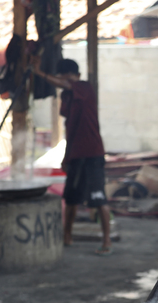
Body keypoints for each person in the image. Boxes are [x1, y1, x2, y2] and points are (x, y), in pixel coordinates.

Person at [32, 58, 113, 255]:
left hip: (93, 153)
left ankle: (106, 241)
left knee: (98, 198)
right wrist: (66, 157)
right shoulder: (67, 96)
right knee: (71, 198)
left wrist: (39, 72)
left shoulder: (84, 87)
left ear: (76, 76)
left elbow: (66, 84)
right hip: (76, 153)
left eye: (67, 78)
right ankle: (66, 236)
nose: (64, 81)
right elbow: (70, 128)